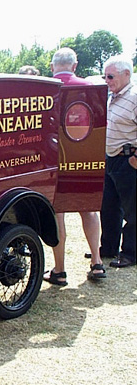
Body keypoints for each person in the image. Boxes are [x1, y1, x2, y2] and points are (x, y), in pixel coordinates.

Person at [44, 47, 105, 286]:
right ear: (75, 65)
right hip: (84, 159)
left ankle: (59, 270)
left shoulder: (44, 89)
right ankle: (97, 262)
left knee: (57, 213)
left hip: (52, 160)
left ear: (52, 67)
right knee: (88, 209)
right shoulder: (90, 88)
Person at [99, 55, 136, 268]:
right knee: (109, 207)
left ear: (126, 74)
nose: (107, 81)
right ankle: (108, 247)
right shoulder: (112, 96)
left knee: (133, 211)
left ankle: (130, 253)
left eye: (111, 76)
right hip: (110, 159)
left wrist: (135, 159)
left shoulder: (134, 97)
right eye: (105, 76)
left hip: (127, 160)